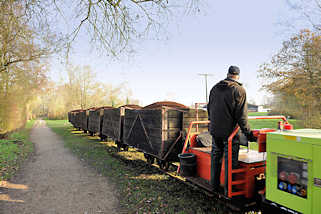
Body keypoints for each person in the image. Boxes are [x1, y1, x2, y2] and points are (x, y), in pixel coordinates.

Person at [207, 65, 257, 194]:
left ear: (228, 74)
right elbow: (242, 117)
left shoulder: (214, 88)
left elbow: (209, 109)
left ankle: (214, 187)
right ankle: (228, 191)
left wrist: (213, 125)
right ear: (238, 76)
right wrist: (249, 134)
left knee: (215, 158)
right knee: (230, 161)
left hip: (215, 131)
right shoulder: (239, 90)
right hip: (230, 134)